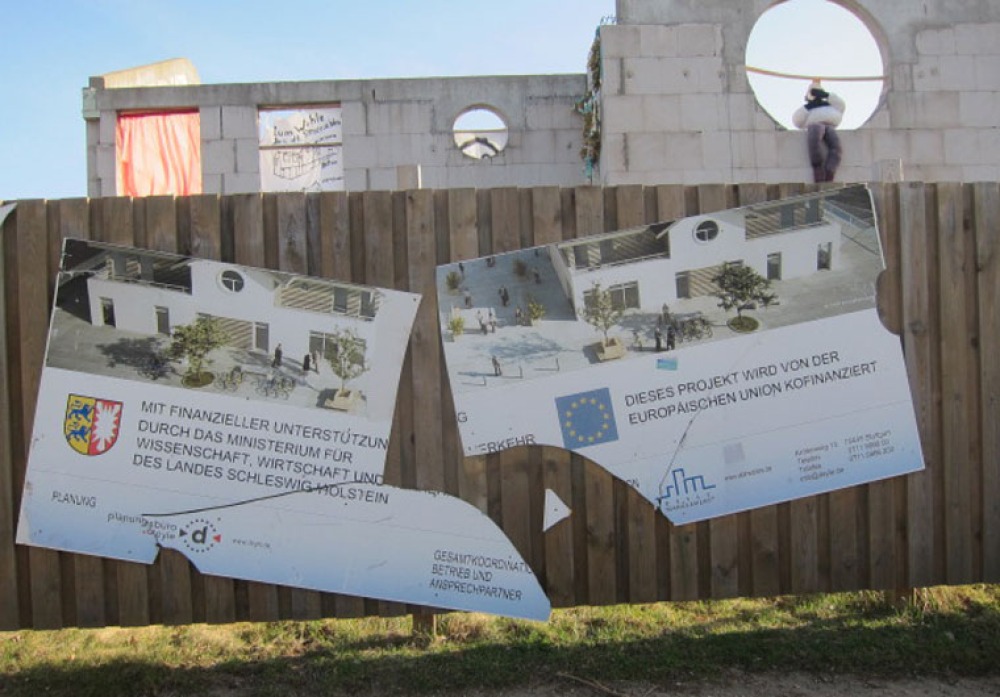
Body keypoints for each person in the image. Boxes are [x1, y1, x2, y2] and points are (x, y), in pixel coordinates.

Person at [792, 80, 846, 183]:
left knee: (836, 148)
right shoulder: (809, 107)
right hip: (815, 125)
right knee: (814, 143)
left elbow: (841, 105)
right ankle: (818, 172)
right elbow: (797, 120)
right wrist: (809, 106)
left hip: (829, 126)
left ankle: (830, 172)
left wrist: (827, 95)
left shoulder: (830, 105)